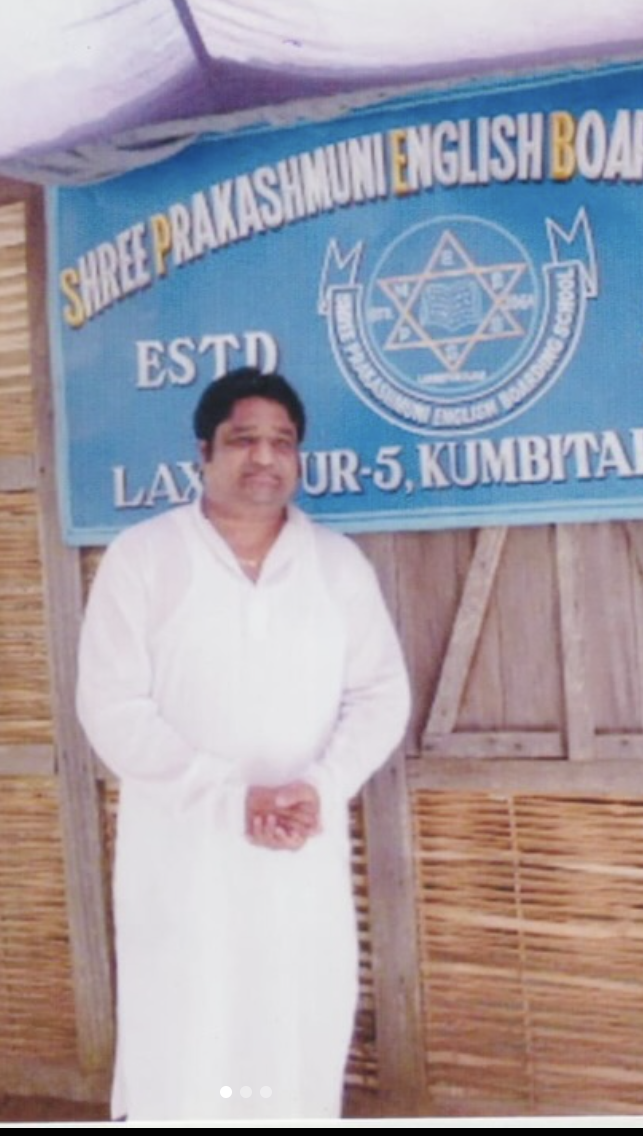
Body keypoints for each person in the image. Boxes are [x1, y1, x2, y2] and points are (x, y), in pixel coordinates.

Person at [76, 367, 411, 1121]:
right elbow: (109, 707)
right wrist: (229, 795)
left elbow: (382, 695)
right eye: (244, 439)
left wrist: (318, 787)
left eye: (282, 442)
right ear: (204, 451)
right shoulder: (144, 557)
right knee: (185, 1031)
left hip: (299, 855)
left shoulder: (336, 565)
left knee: (295, 1026)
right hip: (181, 858)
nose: (265, 457)